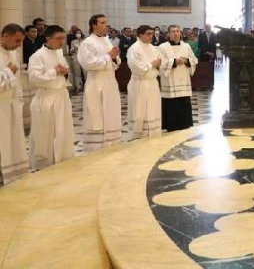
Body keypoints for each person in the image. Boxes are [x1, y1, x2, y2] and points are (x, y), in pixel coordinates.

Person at [28, 25, 74, 170]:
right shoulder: (37, 56)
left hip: (61, 97)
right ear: (49, 39)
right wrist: (54, 72)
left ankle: (63, 160)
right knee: (46, 134)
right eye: (58, 38)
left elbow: (64, 70)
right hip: (47, 98)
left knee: (63, 131)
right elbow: (34, 78)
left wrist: (64, 72)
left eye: (63, 38)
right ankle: (45, 165)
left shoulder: (59, 53)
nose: (61, 41)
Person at [77, 14, 122, 151]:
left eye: (106, 22)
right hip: (96, 82)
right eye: (102, 23)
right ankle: (96, 149)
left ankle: (111, 145)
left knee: (111, 113)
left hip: (110, 81)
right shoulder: (87, 43)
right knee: (97, 114)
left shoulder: (107, 40)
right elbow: (88, 63)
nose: (106, 25)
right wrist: (109, 56)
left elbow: (116, 62)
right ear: (94, 25)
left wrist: (114, 58)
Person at [0, 24, 29, 185]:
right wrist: (8, 72)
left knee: (13, 141)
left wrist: (19, 101)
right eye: (17, 40)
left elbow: (16, 82)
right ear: (5, 36)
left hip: (12, 104)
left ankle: (13, 174)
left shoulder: (13, 54)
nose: (19, 45)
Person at [159, 25, 198, 132]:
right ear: (168, 34)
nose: (175, 33)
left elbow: (194, 59)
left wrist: (187, 61)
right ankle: (171, 125)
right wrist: (175, 62)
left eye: (177, 31)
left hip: (183, 78)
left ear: (180, 33)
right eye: (173, 31)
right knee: (171, 103)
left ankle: (185, 123)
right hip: (170, 80)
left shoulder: (186, 46)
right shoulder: (163, 47)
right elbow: (161, 62)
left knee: (183, 101)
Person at [127, 25, 162, 139]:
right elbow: (136, 68)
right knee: (140, 110)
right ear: (140, 35)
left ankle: (153, 134)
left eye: (152, 34)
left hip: (152, 83)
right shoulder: (134, 49)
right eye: (148, 34)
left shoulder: (154, 48)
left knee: (153, 109)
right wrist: (151, 65)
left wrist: (155, 66)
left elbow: (160, 63)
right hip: (140, 83)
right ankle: (139, 136)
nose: (151, 36)